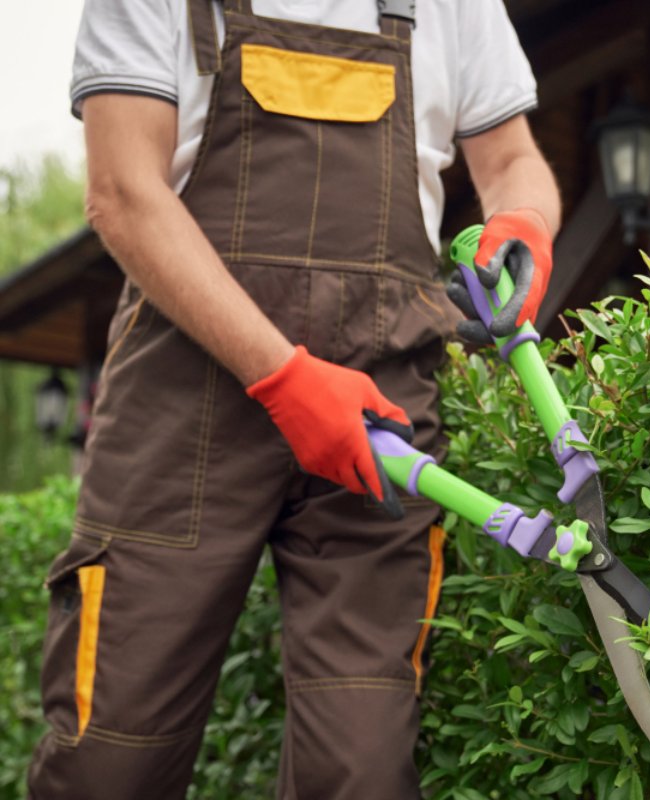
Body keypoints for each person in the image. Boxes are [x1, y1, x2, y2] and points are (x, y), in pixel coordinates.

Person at [28, 0, 560, 797]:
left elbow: (512, 157)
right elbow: (122, 190)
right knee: (112, 760)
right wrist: (284, 376)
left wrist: (523, 221)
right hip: (182, 405)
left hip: (380, 423)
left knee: (363, 770)